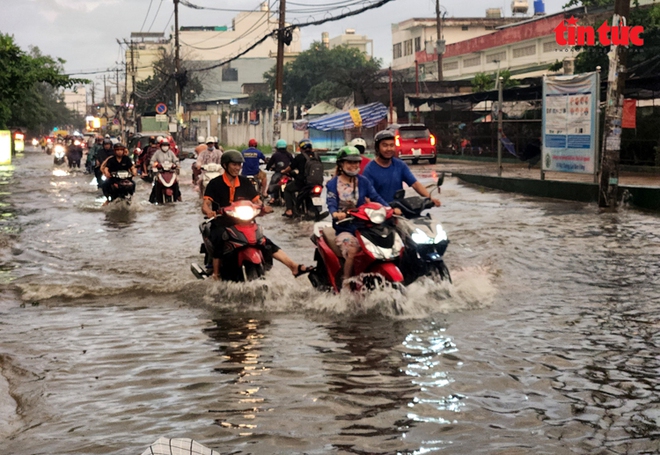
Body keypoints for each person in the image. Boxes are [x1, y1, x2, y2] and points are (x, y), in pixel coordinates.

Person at [201, 150, 313, 281]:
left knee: (263, 240)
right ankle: (216, 274)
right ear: (225, 165)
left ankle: (293, 266)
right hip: (222, 221)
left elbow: (257, 201)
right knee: (219, 237)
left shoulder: (245, 182)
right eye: (234, 165)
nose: (237, 168)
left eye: (239, 165)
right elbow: (206, 203)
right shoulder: (215, 183)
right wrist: (209, 211)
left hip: (244, 221)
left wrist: (263, 208)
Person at [326, 146, 389, 286]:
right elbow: (331, 202)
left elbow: (375, 197)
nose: (353, 165)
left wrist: (389, 208)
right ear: (341, 164)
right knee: (353, 250)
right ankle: (346, 282)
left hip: (365, 226)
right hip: (345, 228)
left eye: (356, 162)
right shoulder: (333, 183)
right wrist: (336, 213)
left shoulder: (363, 181)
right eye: (349, 162)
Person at [362, 130, 441, 206]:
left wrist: (430, 198)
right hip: (379, 213)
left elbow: (415, 184)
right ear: (377, 148)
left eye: (391, 145)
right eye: (385, 145)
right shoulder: (370, 170)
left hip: (399, 208)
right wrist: (387, 208)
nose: (389, 149)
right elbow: (368, 196)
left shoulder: (400, 165)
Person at [281, 138, 316, 218]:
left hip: (303, 182)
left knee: (287, 189)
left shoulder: (300, 157)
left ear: (301, 148)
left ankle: (289, 210)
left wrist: (284, 171)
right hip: (317, 182)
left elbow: (290, 168)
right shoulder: (316, 156)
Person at [265, 139, 293, 204]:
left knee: (272, 183)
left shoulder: (275, 155)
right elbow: (293, 163)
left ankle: (272, 198)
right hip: (288, 173)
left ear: (277, 147)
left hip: (278, 173)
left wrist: (268, 168)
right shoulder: (289, 154)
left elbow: (270, 163)